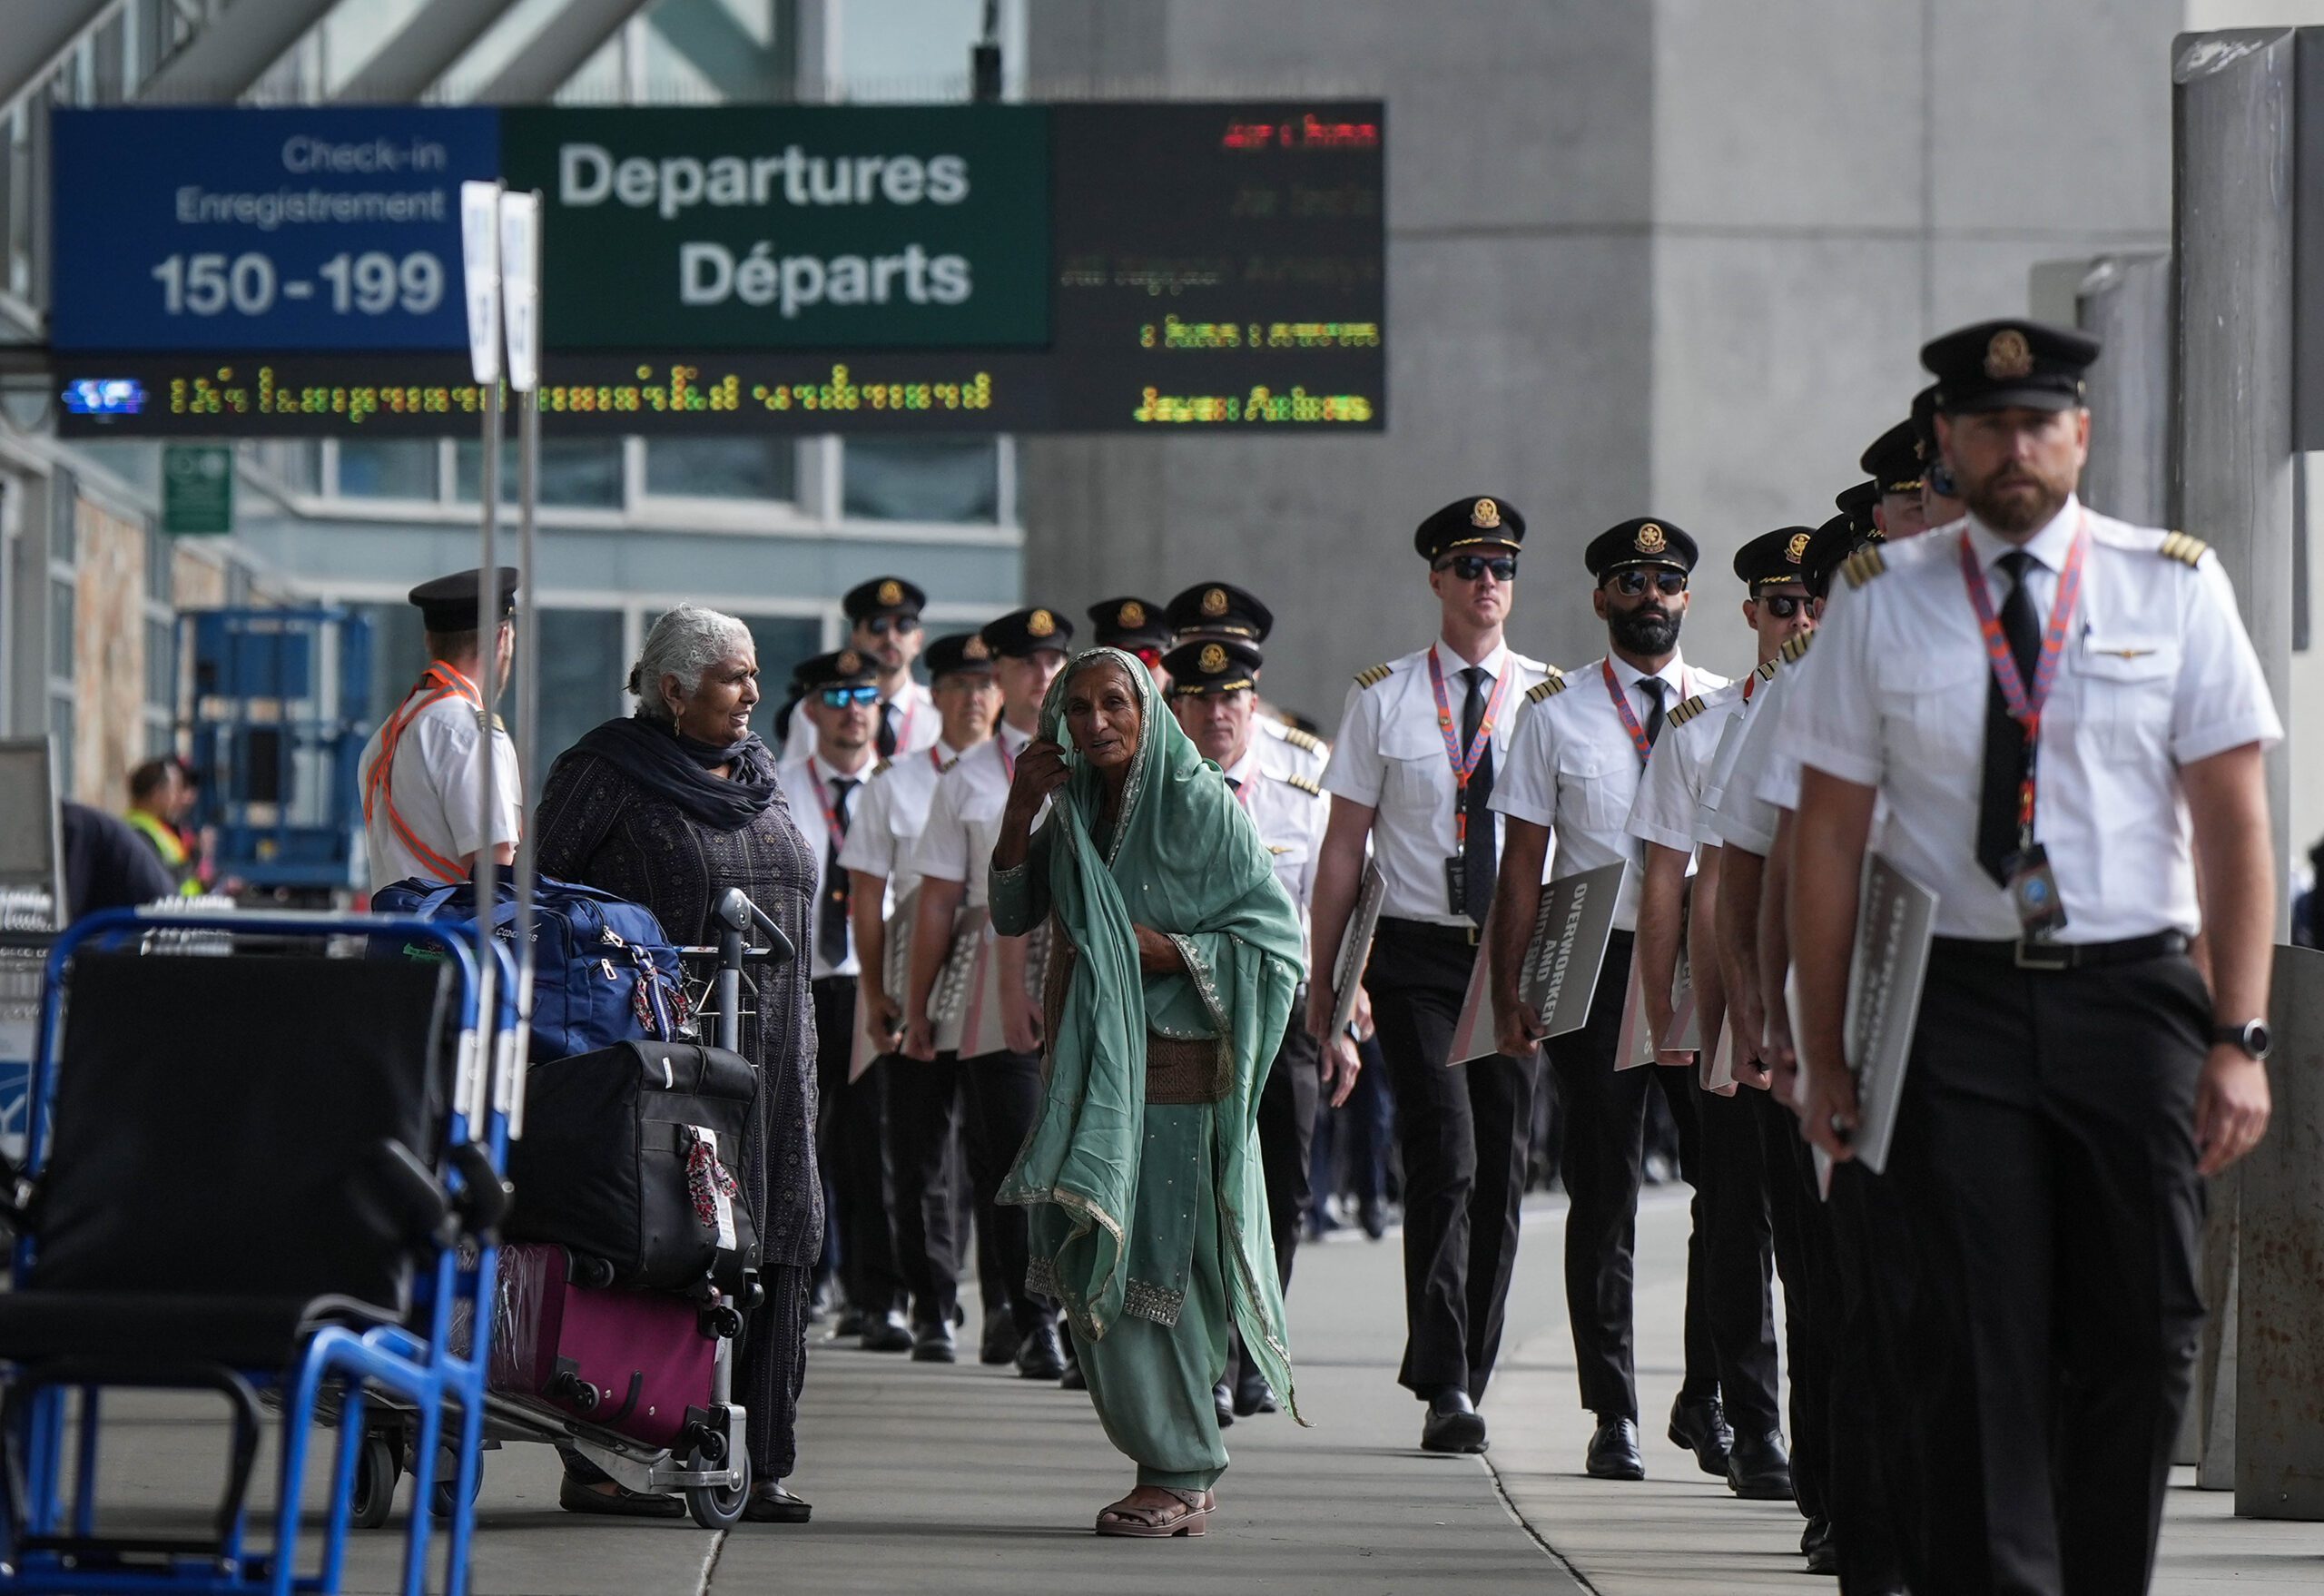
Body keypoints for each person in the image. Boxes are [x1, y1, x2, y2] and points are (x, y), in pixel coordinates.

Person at [1788, 319, 2280, 1595]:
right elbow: (1830, 843)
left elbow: (2234, 827)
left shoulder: (2171, 587)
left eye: (2039, 420)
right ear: (1945, 440)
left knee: (2150, 1326)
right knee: (1970, 1332)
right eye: (1989, 423)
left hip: (2136, 998)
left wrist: (2240, 1035)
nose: (2016, 445)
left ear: (2081, 434)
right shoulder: (1882, 606)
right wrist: (1825, 1051)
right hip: (1956, 1006)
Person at [988, 646, 1305, 1537]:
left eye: (1112, 705)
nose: (1094, 724)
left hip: (1180, 1091)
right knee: (1099, 1268)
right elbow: (1014, 910)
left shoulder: (1200, 802)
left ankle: (1177, 1470)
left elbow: (1276, 945)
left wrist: (1165, 951)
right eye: (1077, 707)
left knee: (1151, 1285)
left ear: (1146, 710)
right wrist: (1023, 805)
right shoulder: (1082, 805)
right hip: (1096, 1079)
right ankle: (1178, 1471)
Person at [534, 604, 821, 1525]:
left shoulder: (759, 774)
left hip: (778, 1054)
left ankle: (758, 1457)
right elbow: (541, 902)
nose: (753, 693)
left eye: (752, 675)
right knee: (671, 1246)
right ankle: (620, 1453)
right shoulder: (605, 772)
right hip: (669, 1059)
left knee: (780, 1236)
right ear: (673, 688)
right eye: (734, 676)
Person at [1307, 496, 1558, 1455]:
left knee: (1500, 1168)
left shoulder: (1545, 696)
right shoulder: (1384, 698)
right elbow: (1341, 855)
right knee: (1443, 1155)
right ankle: (1445, 1377)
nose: (1486, 583)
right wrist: (1334, 982)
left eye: (1501, 567)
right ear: (1436, 580)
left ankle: (1468, 1366)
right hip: (1413, 954)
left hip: (1510, 950)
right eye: (1468, 566)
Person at [1484, 516, 1728, 1483]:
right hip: (1592, 964)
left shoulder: (1721, 707)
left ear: (1688, 597)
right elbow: (1521, 870)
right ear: (1599, 598)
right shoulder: (1553, 713)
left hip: (1699, 965)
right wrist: (1508, 991)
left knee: (1727, 1189)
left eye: (1666, 582)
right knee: (1604, 1190)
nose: (1650, 598)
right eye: (1630, 582)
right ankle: (1611, 1409)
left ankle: (1705, 1396)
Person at [1709, 507, 1909, 1591]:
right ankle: (1837, 1499)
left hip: (1948, 1018)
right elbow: (1741, 861)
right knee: (1830, 1276)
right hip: (1825, 1025)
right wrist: (1757, 1013)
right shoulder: (1803, 685)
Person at [1623, 527, 1817, 1513]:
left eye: (1810, 604)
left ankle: (1800, 1419)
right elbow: (1672, 887)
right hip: (1727, 998)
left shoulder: (1836, 709)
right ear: (1749, 614)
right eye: (1780, 604)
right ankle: (1754, 1418)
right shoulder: (1700, 730)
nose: (1797, 621)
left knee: (1814, 1230)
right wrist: (1667, 1015)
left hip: (1814, 998)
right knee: (1734, 1214)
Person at [1163, 630, 1354, 1423]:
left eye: (1232, 698)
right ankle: (1209, 1354)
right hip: (1189, 1018)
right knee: (1199, 1190)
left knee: (1283, 1188)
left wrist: (1343, 1012)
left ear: (1254, 700)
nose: (1219, 713)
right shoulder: (1158, 791)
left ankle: (1256, 1345)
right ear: (1179, 704)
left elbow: (1327, 912)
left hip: (1287, 1016)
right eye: (1202, 698)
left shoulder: (1299, 785)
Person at [901, 606, 1075, 1382]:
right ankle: (1033, 1318)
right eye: (1025, 663)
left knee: (1079, 1154)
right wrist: (917, 1006)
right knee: (1012, 1156)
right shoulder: (968, 778)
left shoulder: (1100, 753)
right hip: (992, 975)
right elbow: (937, 901)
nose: (1042, 675)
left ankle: (1078, 1308)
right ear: (997, 675)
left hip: (1087, 968)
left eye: (1052, 661)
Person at [841, 629, 1005, 1362]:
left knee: (1001, 1147)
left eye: (984, 684)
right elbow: (866, 899)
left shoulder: (1020, 776)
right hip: (918, 969)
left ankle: (1008, 1307)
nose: (973, 698)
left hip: (999, 973)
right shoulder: (896, 781)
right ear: (932, 696)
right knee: (918, 1148)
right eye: (958, 686)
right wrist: (879, 992)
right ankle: (933, 1303)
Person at [780, 648, 909, 1353]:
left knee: (873, 1146)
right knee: (798, 1140)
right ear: (813, 709)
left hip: (874, 981)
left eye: (865, 694)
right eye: (838, 695)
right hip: (800, 981)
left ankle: (879, 1297)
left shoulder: (903, 786)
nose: (853, 707)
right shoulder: (775, 784)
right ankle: (803, 1284)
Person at [359, 567, 521, 891]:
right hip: (457, 938)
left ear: (429, 640)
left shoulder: (391, 731)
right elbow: (494, 866)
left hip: (397, 934)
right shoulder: (467, 729)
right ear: (501, 637)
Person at [1167, 582, 1330, 781]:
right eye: (1199, 653)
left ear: (1256, 670)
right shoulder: (1149, 753)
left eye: (1235, 654)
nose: (1215, 661)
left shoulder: (1301, 759)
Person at [787, 576, 940, 765]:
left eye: (903, 626)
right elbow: (796, 781)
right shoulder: (815, 710)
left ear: (918, 640)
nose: (891, 637)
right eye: (878, 626)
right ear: (856, 638)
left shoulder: (938, 710)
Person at [60, 802, 175, 919]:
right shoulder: (78, 823)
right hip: (154, 909)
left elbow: (70, 905)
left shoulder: (73, 825)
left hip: (153, 914)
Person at [123, 758, 200, 894]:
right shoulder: (138, 832)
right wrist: (194, 858)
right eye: (173, 790)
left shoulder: (157, 828)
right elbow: (162, 880)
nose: (177, 798)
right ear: (157, 794)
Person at [1089, 597, 1175, 692]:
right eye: (1115, 657)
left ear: (1169, 668)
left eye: (1148, 656)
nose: (1132, 669)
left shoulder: (1189, 706)